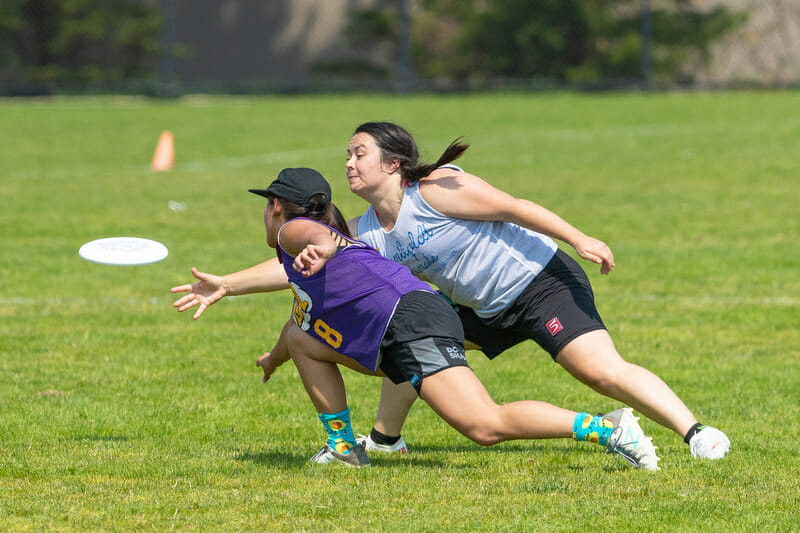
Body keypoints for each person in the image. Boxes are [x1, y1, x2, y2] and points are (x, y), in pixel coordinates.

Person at [171, 123, 730, 463]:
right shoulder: (368, 230)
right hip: (474, 309)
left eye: (359, 152)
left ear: (393, 163)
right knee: (381, 344)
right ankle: (385, 440)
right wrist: (229, 285)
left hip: (536, 282)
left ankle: (694, 431)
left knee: (599, 372)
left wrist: (580, 238)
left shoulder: (436, 189)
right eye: (346, 154)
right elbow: (301, 269)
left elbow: (514, 206)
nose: (349, 162)